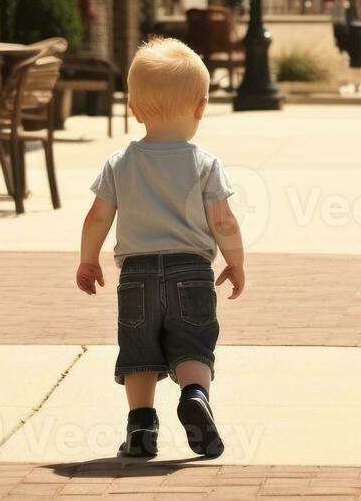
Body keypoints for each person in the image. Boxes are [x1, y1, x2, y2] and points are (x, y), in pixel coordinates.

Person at [76, 38, 246, 460]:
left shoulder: (120, 163)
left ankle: (140, 431)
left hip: (135, 276)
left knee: (139, 353)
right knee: (194, 344)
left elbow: (98, 217)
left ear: (134, 109)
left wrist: (88, 258)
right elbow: (223, 220)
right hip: (192, 271)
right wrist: (236, 262)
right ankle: (194, 395)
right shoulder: (205, 163)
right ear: (201, 107)